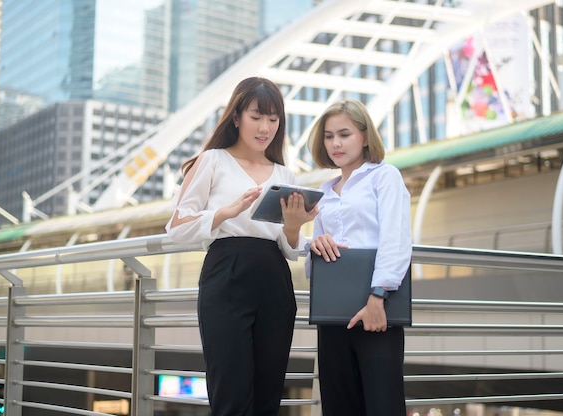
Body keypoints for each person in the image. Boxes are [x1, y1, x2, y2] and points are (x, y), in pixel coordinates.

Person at [165, 76, 317, 416]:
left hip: (274, 279)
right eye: (256, 116)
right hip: (227, 273)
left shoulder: (285, 174)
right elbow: (176, 227)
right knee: (230, 391)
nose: (265, 127)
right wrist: (225, 212)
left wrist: (294, 226)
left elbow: (289, 248)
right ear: (236, 117)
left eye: (273, 119)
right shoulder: (212, 161)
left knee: (268, 393)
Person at [306, 99, 412, 416]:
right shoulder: (323, 192)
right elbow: (318, 260)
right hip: (332, 314)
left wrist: (378, 296)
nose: (335, 143)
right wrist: (315, 242)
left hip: (377, 309)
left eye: (344, 134)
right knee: (338, 405)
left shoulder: (385, 177)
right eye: (328, 136)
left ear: (365, 137)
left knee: (383, 405)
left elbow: (396, 238)